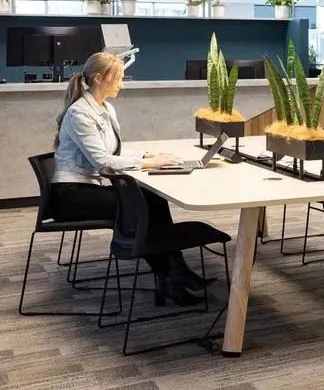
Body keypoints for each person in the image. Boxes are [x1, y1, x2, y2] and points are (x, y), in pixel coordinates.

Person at [51, 52, 209, 306]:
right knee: (141, 206)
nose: (122, 84)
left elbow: (114, 152)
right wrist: (149, 164)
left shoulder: (105, 108)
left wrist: (146, 156)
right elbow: (102, 161)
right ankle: (171, 275)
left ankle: (172, 274)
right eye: (119, 78)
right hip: (71, 196)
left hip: (89, 187)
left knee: (153, 199)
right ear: (99, 78)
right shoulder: (79, 113)